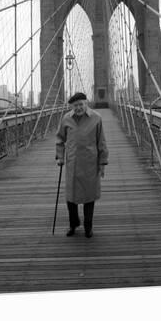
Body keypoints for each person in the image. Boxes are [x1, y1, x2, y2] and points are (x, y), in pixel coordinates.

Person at [55, 92, 109, 238]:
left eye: (81, 104)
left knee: (89, 196)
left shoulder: (96, 118)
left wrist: (102, 163)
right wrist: (60, 157)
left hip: (90, 164)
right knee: (71, 197)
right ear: (71, 107)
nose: (78, 108)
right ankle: (73, 224)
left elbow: (101, 142)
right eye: (75, 105)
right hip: (72, 163)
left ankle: (88, 226)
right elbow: (60, 139)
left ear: (86, 103)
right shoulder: (66, 118)